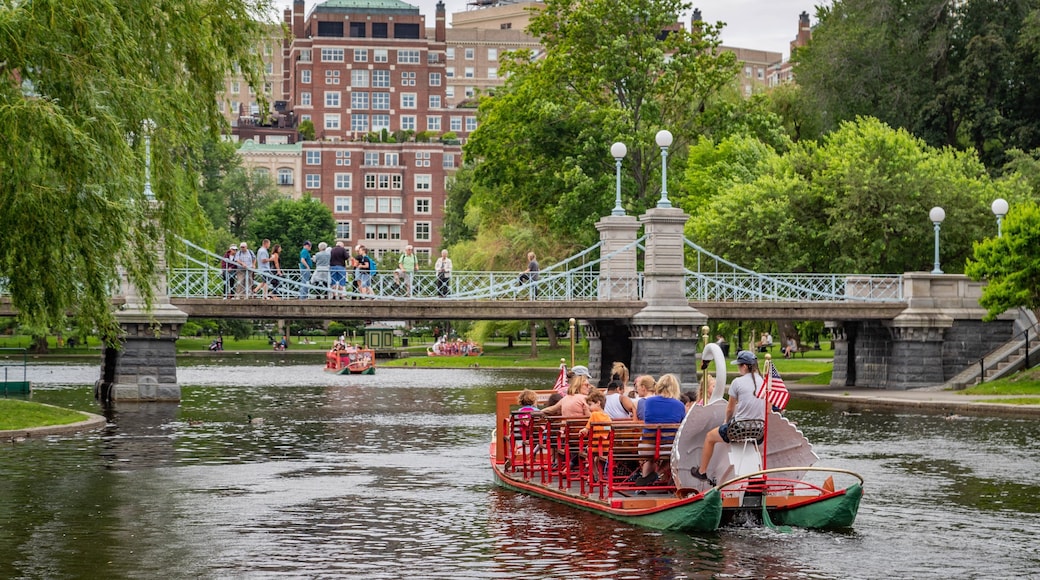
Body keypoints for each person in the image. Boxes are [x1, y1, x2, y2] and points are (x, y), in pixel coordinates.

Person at [692, 350, 766, 483]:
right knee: (752, 443)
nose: (738, 368)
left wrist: (726, 421)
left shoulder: (737, 382)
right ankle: (758, 474)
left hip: (739, 430)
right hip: (758, 430)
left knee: (709, 437)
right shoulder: (764, 383)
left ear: (744, 366)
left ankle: (702, 471)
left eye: (739, 365)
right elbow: (769, 409)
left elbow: (730, 408)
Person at [636, 373, 686, 486]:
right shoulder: (679, 405)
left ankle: (644, 482)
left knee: (650, 458)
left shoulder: (648, 402)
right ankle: (658, 474)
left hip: (646, 446)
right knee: (676, 454)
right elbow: (683, 424)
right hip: (667, 448)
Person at [578, 390, 612, 481]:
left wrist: (582, 431)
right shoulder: (607, 417)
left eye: (590, 404)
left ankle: (594, 472)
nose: (589, 407)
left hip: (594, 447)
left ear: (598, 403)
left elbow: (586, 429)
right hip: (606, 446)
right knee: (596, 456)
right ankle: (596, 474)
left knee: (588, 453)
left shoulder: (594, 415)